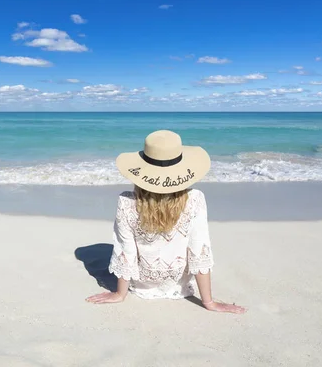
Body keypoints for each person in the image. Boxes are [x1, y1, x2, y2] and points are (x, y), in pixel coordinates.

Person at [86, 130, 246, 314]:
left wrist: (120, 294)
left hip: (141, 284)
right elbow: (199, 249)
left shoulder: (127, 202)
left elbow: (126, 250)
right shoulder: (194, 199)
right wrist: (208, 302)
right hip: (180, 284)